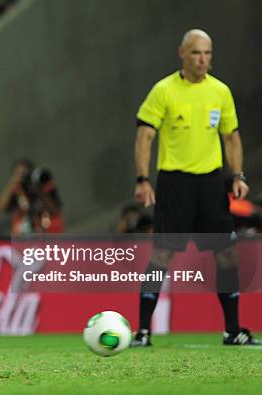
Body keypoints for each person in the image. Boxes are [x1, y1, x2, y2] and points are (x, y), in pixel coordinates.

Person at [132, 29, 259, 346]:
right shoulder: (164, 90)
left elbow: (231, 137)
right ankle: (144, 331)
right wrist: (142, 180)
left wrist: (237, 175)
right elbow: (145, 136)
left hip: (211, 183)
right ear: (182, 54)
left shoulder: (220, 92)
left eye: (207, 53)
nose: (202, 59)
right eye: (196, 53)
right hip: (175, 183)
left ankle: (232, 331)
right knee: (162, 253)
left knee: (226, 253)